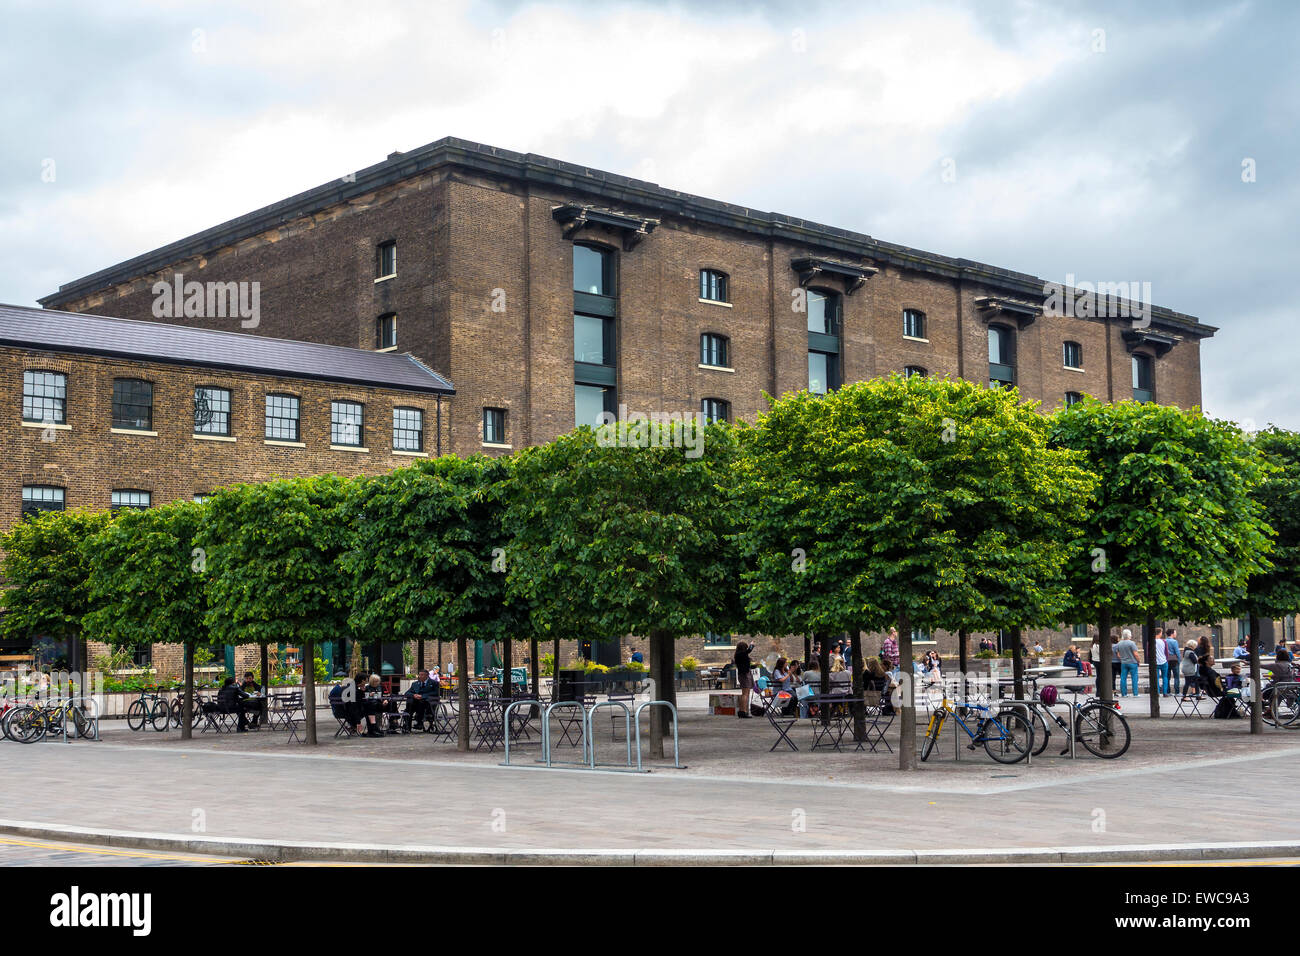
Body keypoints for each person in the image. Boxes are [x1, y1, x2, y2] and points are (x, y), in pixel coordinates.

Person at [734, 640, 757, 719]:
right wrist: (752, 645)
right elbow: (749, 650)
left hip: (745, 673)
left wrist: (754, 666)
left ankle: (742, 710)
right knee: (745, 694)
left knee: (745, 693)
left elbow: (746, 665)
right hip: (744, 675)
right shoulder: (740, 654)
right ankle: (743, 711)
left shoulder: (740, 655)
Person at [1114, 630, 1140, 697]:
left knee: (1123, 678)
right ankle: (1135, 693)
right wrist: (1138, 661)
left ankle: (1124, 694)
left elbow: (1118, 654)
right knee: (1134, 678)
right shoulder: (1132, 643)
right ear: (1129, 635)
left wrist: (1122, 658)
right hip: (1132, 662)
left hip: (1124, 663)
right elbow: (1136, 654)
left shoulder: (1119, 643)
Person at [1153, 627, 1169, 696]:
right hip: (1164, 661)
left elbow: (1148, 652)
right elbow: (1166, 652)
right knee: (1165, 677)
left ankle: (1157, 692)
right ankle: (1165, 692)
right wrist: (1167, 659)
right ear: (1159, 633)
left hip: (1155, 662)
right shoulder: (1164, 641)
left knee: (1156, 678)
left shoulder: (1151, 642)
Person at [1165, 630, 1182, 696]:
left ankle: (1168, 691)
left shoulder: (1165, 641)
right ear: (1172, 634)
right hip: (1174, 660)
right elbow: (1177, 651)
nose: (1176, 634)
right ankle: (1177, 692)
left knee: (1167, 676)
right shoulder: (1174, 641)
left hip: (1167, 660)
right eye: (1175, 632)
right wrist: (1179, 659)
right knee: (1176, 677)